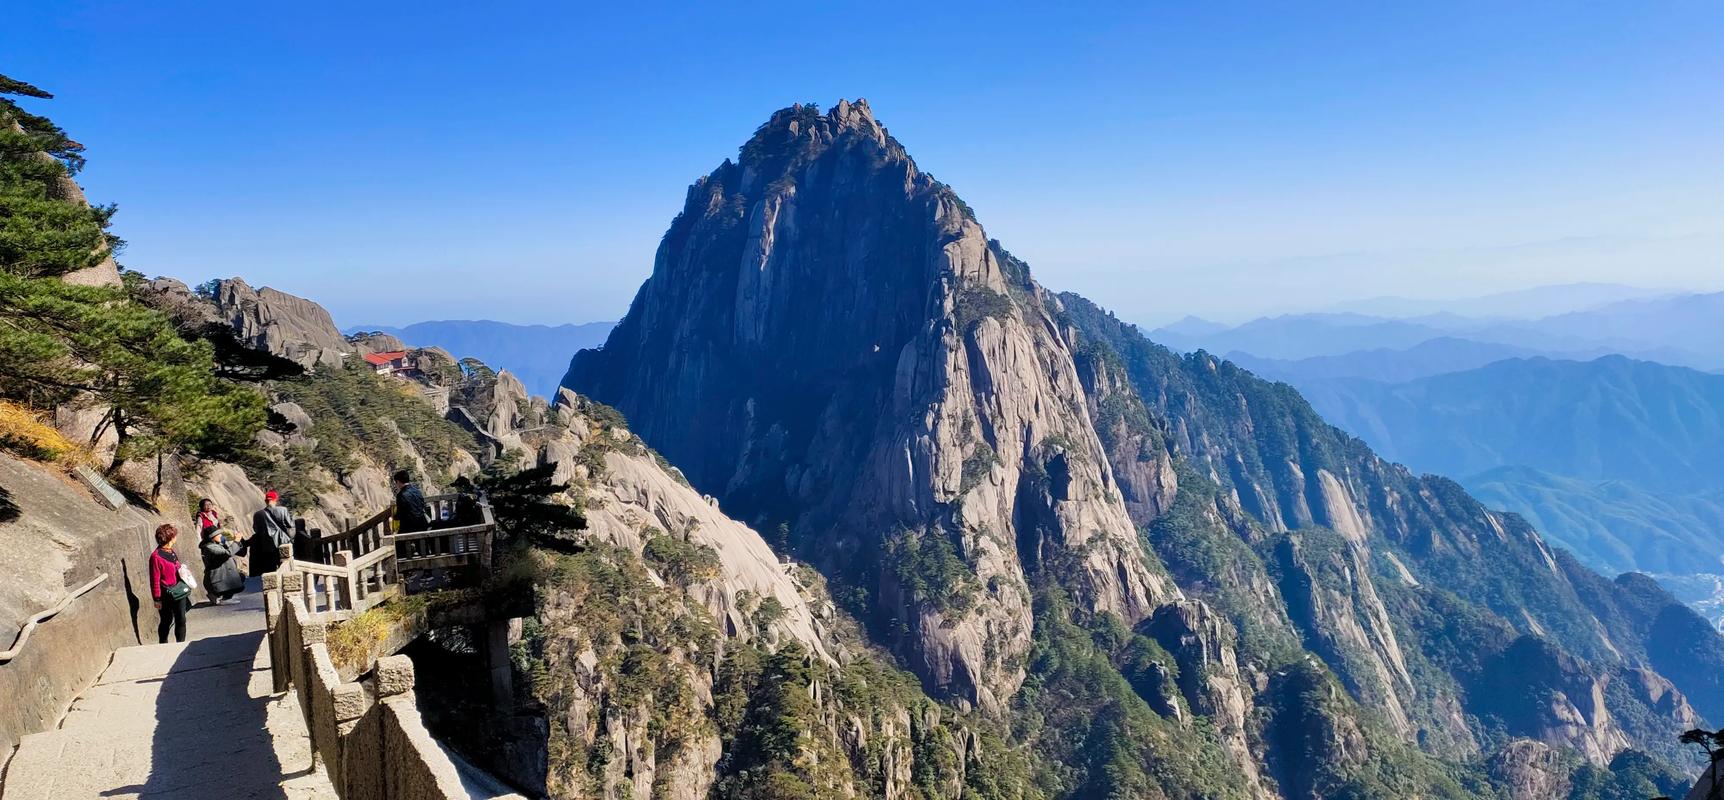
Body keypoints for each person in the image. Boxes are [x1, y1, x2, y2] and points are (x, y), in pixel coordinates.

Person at [149, 524, 191, 643]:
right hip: (165, 594)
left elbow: (176, 567)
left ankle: (180, 643)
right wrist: (157, 599)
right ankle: (163, 643)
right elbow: (154, 579)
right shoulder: (156, 557)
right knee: (166, 620)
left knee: (181, 619)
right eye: (174, 535)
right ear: (170, 538)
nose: (176, 537)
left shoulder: (171, 552)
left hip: (178, 590)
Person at [247, 490, 294, 576]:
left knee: (270, 568)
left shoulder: (258, 514)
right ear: (276, 500)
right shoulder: (283, 510)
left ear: (266, 501)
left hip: (266, 544)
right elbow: (290, 525)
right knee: (284, 564)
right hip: (282, 542)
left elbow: (255, 529)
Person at [200, 519, 245, 605]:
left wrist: (238, 541)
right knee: (228, 583)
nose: (221, 536)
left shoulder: (218, 544)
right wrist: (236, 541)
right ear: (212, 537)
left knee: (240, 577)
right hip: (217, 578)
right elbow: (227, 553)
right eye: (218, 535)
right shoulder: (209, 547)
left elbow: (235, 551)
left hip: (224, 575)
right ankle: (215, 595)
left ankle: (225, 597)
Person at [392, 470, 430, 534]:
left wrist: (393, 517)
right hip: (423, 524)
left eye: (396, 482)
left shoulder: (401, 495)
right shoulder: (417, 491)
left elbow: (400, 514)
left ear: (398, 482)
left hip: (410, 527)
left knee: (398, 542)